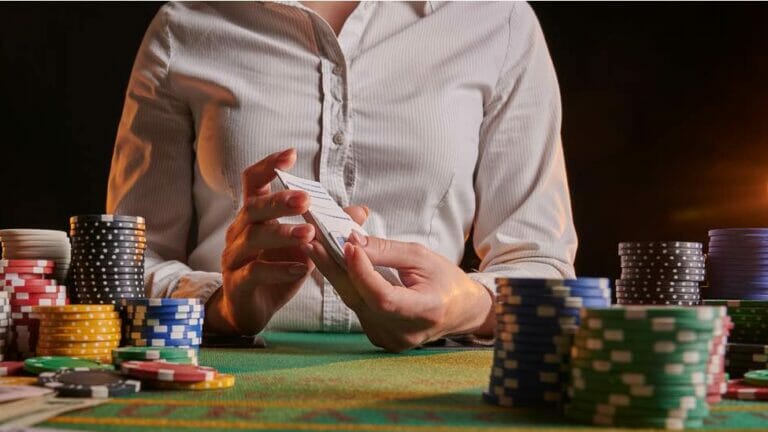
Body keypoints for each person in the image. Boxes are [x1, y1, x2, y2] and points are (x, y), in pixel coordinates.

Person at [107, 1, 577, 351]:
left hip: (431, 385)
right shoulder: (186, 22)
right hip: (219, 372)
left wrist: (467, 307)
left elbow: (543, 265)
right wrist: (221, 308)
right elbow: (127, 262)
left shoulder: (499, 19)